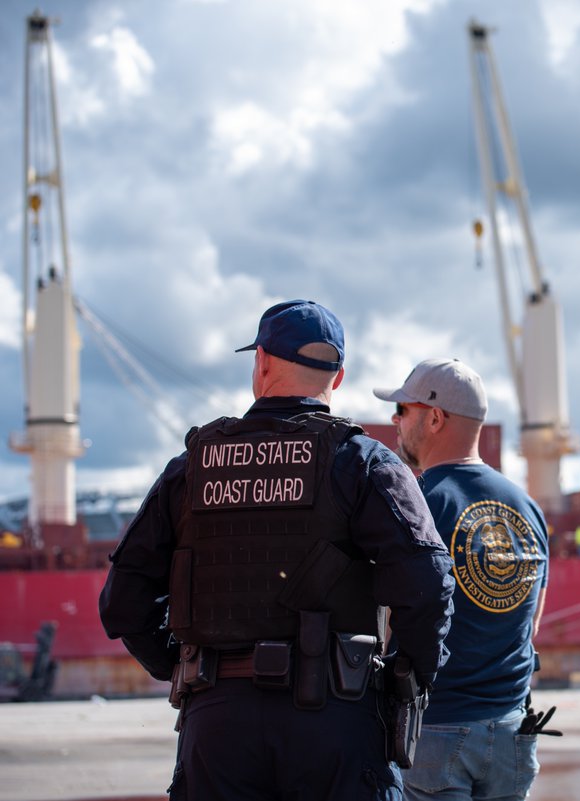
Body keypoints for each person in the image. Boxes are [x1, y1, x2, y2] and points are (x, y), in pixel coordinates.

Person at [98, 300, 455, 801]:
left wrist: (183, 667)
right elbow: (429, 582)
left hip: (217, 726)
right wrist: (403, 681)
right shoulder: (363, 461)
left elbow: (122, 601)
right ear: (340, 374)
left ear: (261, 361)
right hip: (335, 721)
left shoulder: (193, 466)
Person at [374, 358, 551, 801]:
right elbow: (531, 624)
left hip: (437, 730)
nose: (395, 420)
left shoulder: (419, 503)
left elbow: (388, 621)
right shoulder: (528, 508)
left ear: (435, 418)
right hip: (513, 730)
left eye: (403, 410)